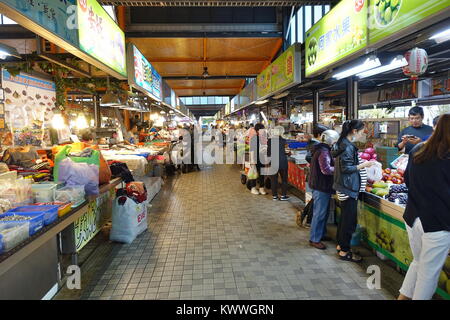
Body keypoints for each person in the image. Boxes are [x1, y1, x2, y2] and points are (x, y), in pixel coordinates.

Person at [397, 114, 450, 300]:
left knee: (418, 263)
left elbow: (408, 181)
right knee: (429, 274)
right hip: (437, 223)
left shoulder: (419, 149)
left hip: (413, 217)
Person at [333, 120, 377, 262]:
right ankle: (344, 252)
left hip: (346, 187)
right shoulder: (346, 146)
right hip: (348, 188)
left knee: (345, 219)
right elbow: (346, 168)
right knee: (349, 222)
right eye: (361, 132)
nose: (362, 135)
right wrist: (364, 164)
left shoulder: (344, 144)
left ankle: (341, 246)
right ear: (354, 131)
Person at [308, 130, 340, 250]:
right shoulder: (323, 151)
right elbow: (326, 169)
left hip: (320, 185)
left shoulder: (320, 149)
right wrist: (339, 168)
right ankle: (314, 239)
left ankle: (319, 234)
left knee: (323, 212)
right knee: (320, 213)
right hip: (321, 186)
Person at [267, 126, 289, 201]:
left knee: (274, 180)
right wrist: (289, 153)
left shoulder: (270, 141)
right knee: (284, 180)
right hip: (283, 162)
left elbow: (268, 153)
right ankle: (283, 196)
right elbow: (287, 151)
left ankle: (275, 196)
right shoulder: (284, 141)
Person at [249, 123, 267, 195]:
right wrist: (252, 161)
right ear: (257, 130)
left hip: (261, 158)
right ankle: (253, 188)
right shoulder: (254, 138)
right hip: (255, 158)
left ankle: (261, 188)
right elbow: (252, 150)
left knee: (261, 173)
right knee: (254, 173)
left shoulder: (263, 138)